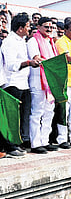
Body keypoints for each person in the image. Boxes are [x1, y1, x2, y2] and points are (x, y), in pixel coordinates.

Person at [1, 13, 40, 155]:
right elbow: (11, 65)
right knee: (12, 118)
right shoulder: (10, 42)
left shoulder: (22, 41)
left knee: (23, 117)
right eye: (28, 26)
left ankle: (17, 143)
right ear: (20, 28)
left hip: (24, 84)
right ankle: (9, 146)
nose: (30, 29)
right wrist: (29, 63)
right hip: (13, 84)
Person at [26, 17, 59, 154]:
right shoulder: (33, 40)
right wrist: (51, 63)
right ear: (38, 26)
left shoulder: (51, 42)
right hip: (38, 80)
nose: (49, 29)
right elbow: (36, 58)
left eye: (51, 27)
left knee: (49, 112)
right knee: (37, 112)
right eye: (46, 27)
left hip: (50, 82)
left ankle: (45, 141)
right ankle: (35, 143)